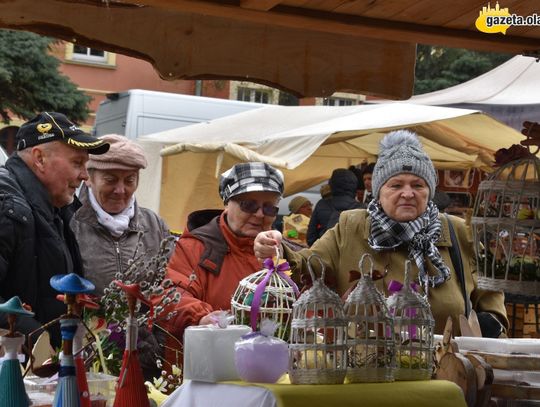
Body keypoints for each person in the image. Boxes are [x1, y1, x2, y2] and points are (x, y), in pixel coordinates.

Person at [255, 130, 508, 337]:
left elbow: (490, 290)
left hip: (447, 373)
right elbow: (308, 267)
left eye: (418, 185)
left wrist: (492, 323)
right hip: (367, 370)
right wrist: (277, 249)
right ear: (379, 191)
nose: (408, 193)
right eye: (396, 185)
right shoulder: (351, 226)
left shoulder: (456, 231)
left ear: (429, 191)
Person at [0, 112, 109, 346]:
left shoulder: (56, 208)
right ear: (39, 159)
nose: (85, 176)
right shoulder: (8, 207)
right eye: (77, 163)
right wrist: (40, 342)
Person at [164, 162, 284, 343]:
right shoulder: (194, 248)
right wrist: (203, 318)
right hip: (207, 359)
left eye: (269, 208)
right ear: (227, 204)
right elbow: (171, 294)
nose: (260, 214)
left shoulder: (283, 254)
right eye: (248, 205)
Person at [70, 134, 170, 295]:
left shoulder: (155, 225)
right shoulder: (70, 223)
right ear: (88, 178)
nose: (120, 190)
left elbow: (170, 284)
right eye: (110, 180)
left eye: (129, 180)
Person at [306, 168, 362, 246]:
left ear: (332, 184)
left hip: (325, 253)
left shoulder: (321, 204)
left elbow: (310, 237)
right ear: (354, 185)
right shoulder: (362, 208)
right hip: (352, 256)